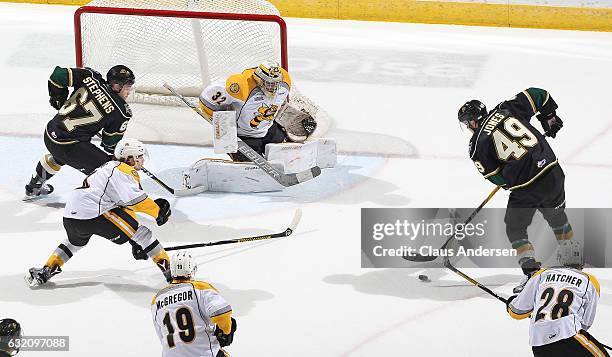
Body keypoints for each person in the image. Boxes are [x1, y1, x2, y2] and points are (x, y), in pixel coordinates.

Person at [458, 88, 572, 292]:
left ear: (472, 122)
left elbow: (495, 176)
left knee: (515, 228)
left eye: (467, 125)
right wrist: (549, 117)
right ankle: (574, 264)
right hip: (553, 172)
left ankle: (532, 274)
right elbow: (539, 95)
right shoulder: (506, 108)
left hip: (527, 187)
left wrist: (511, 183)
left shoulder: (476, 145)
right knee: (557, 217)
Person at [25, 138, 173, 287]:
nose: (142, 160)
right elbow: (136, 201)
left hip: (71, 216)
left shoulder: (109, 166)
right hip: (94, 214)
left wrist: (132, 239)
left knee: (73, 243)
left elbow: (122, 207)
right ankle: (172, 275)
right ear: (130, 158)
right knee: (143, 235)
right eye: (139, 156)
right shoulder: (124, 170)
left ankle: (46, 271)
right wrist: (158, 212)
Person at [25, 64, 135, 199]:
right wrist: (123, 156)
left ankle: (34, 186)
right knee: (109, 170)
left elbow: (57, 76)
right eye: (127, 88)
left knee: (60, 156)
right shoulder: (121, 111)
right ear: (117, 86)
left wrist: (58, 98)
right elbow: (110, 145)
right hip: (68, 146)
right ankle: (104, 203)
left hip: (50, 133)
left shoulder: (89, 76)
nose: (128, 92)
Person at [506, 241, 609, 357]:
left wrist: (511, 303)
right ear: (582, 259)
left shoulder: (541, 274)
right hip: (569, 336)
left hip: (538, 344)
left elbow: (516, 312)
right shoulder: (590, 281)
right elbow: (585, 322)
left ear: (560, 258)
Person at [198, 61, 316, 161]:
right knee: (249, 169)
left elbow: (279, 104)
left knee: (287, 159)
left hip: (269, 131)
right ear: (258, 78)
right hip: (244, 138)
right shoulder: (242, 86)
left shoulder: (284, 84)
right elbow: (208, 97)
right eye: (269, 83)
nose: (273, 87)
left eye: (275, 83)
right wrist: (223, 126)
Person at [151, 251, 236, 357]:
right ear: (192, 269)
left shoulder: (157, 299)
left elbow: (161, 335)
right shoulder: (201, 288)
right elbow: (221, 312)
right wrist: (226, 332)